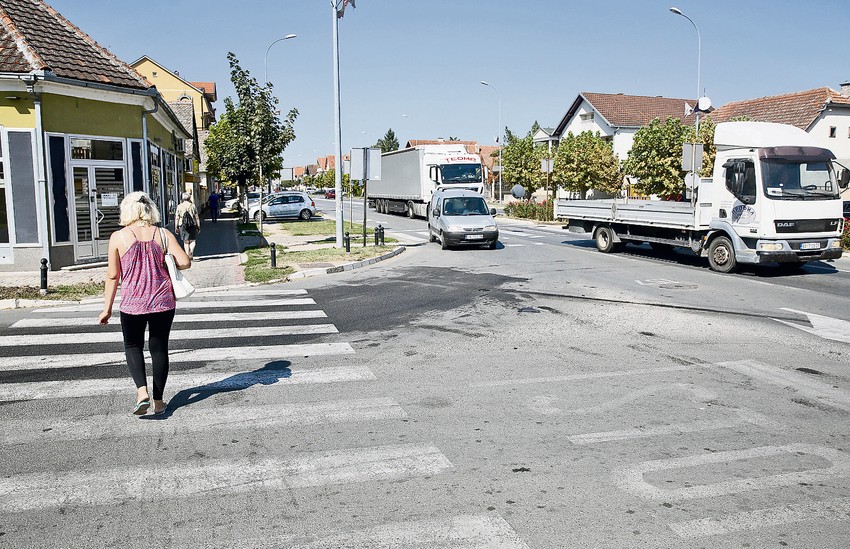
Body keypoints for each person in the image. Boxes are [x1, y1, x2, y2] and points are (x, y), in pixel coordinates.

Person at [97, 191, 191, 415]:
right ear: (150, 210)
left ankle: (142, 393)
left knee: (132, 346)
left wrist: (106, 309)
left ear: (127, 210)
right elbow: (185, 262)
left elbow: (112, 276)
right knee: (159, 349)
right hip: (162, 301)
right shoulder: (163, 234)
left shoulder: (118, 237)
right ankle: (159, 402)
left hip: (132, 303)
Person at [174, 192, 200, 259]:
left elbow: (177, 217)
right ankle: (191, 251)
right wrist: (198, 226)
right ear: (189, 198)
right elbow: (196, 217)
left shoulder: (179, 206)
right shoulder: (193, 205)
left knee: (186, 241)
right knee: (193, 240)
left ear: (182, 198)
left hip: (182, 225)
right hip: (192, 224)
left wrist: (176, 226)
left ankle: (187, 255)